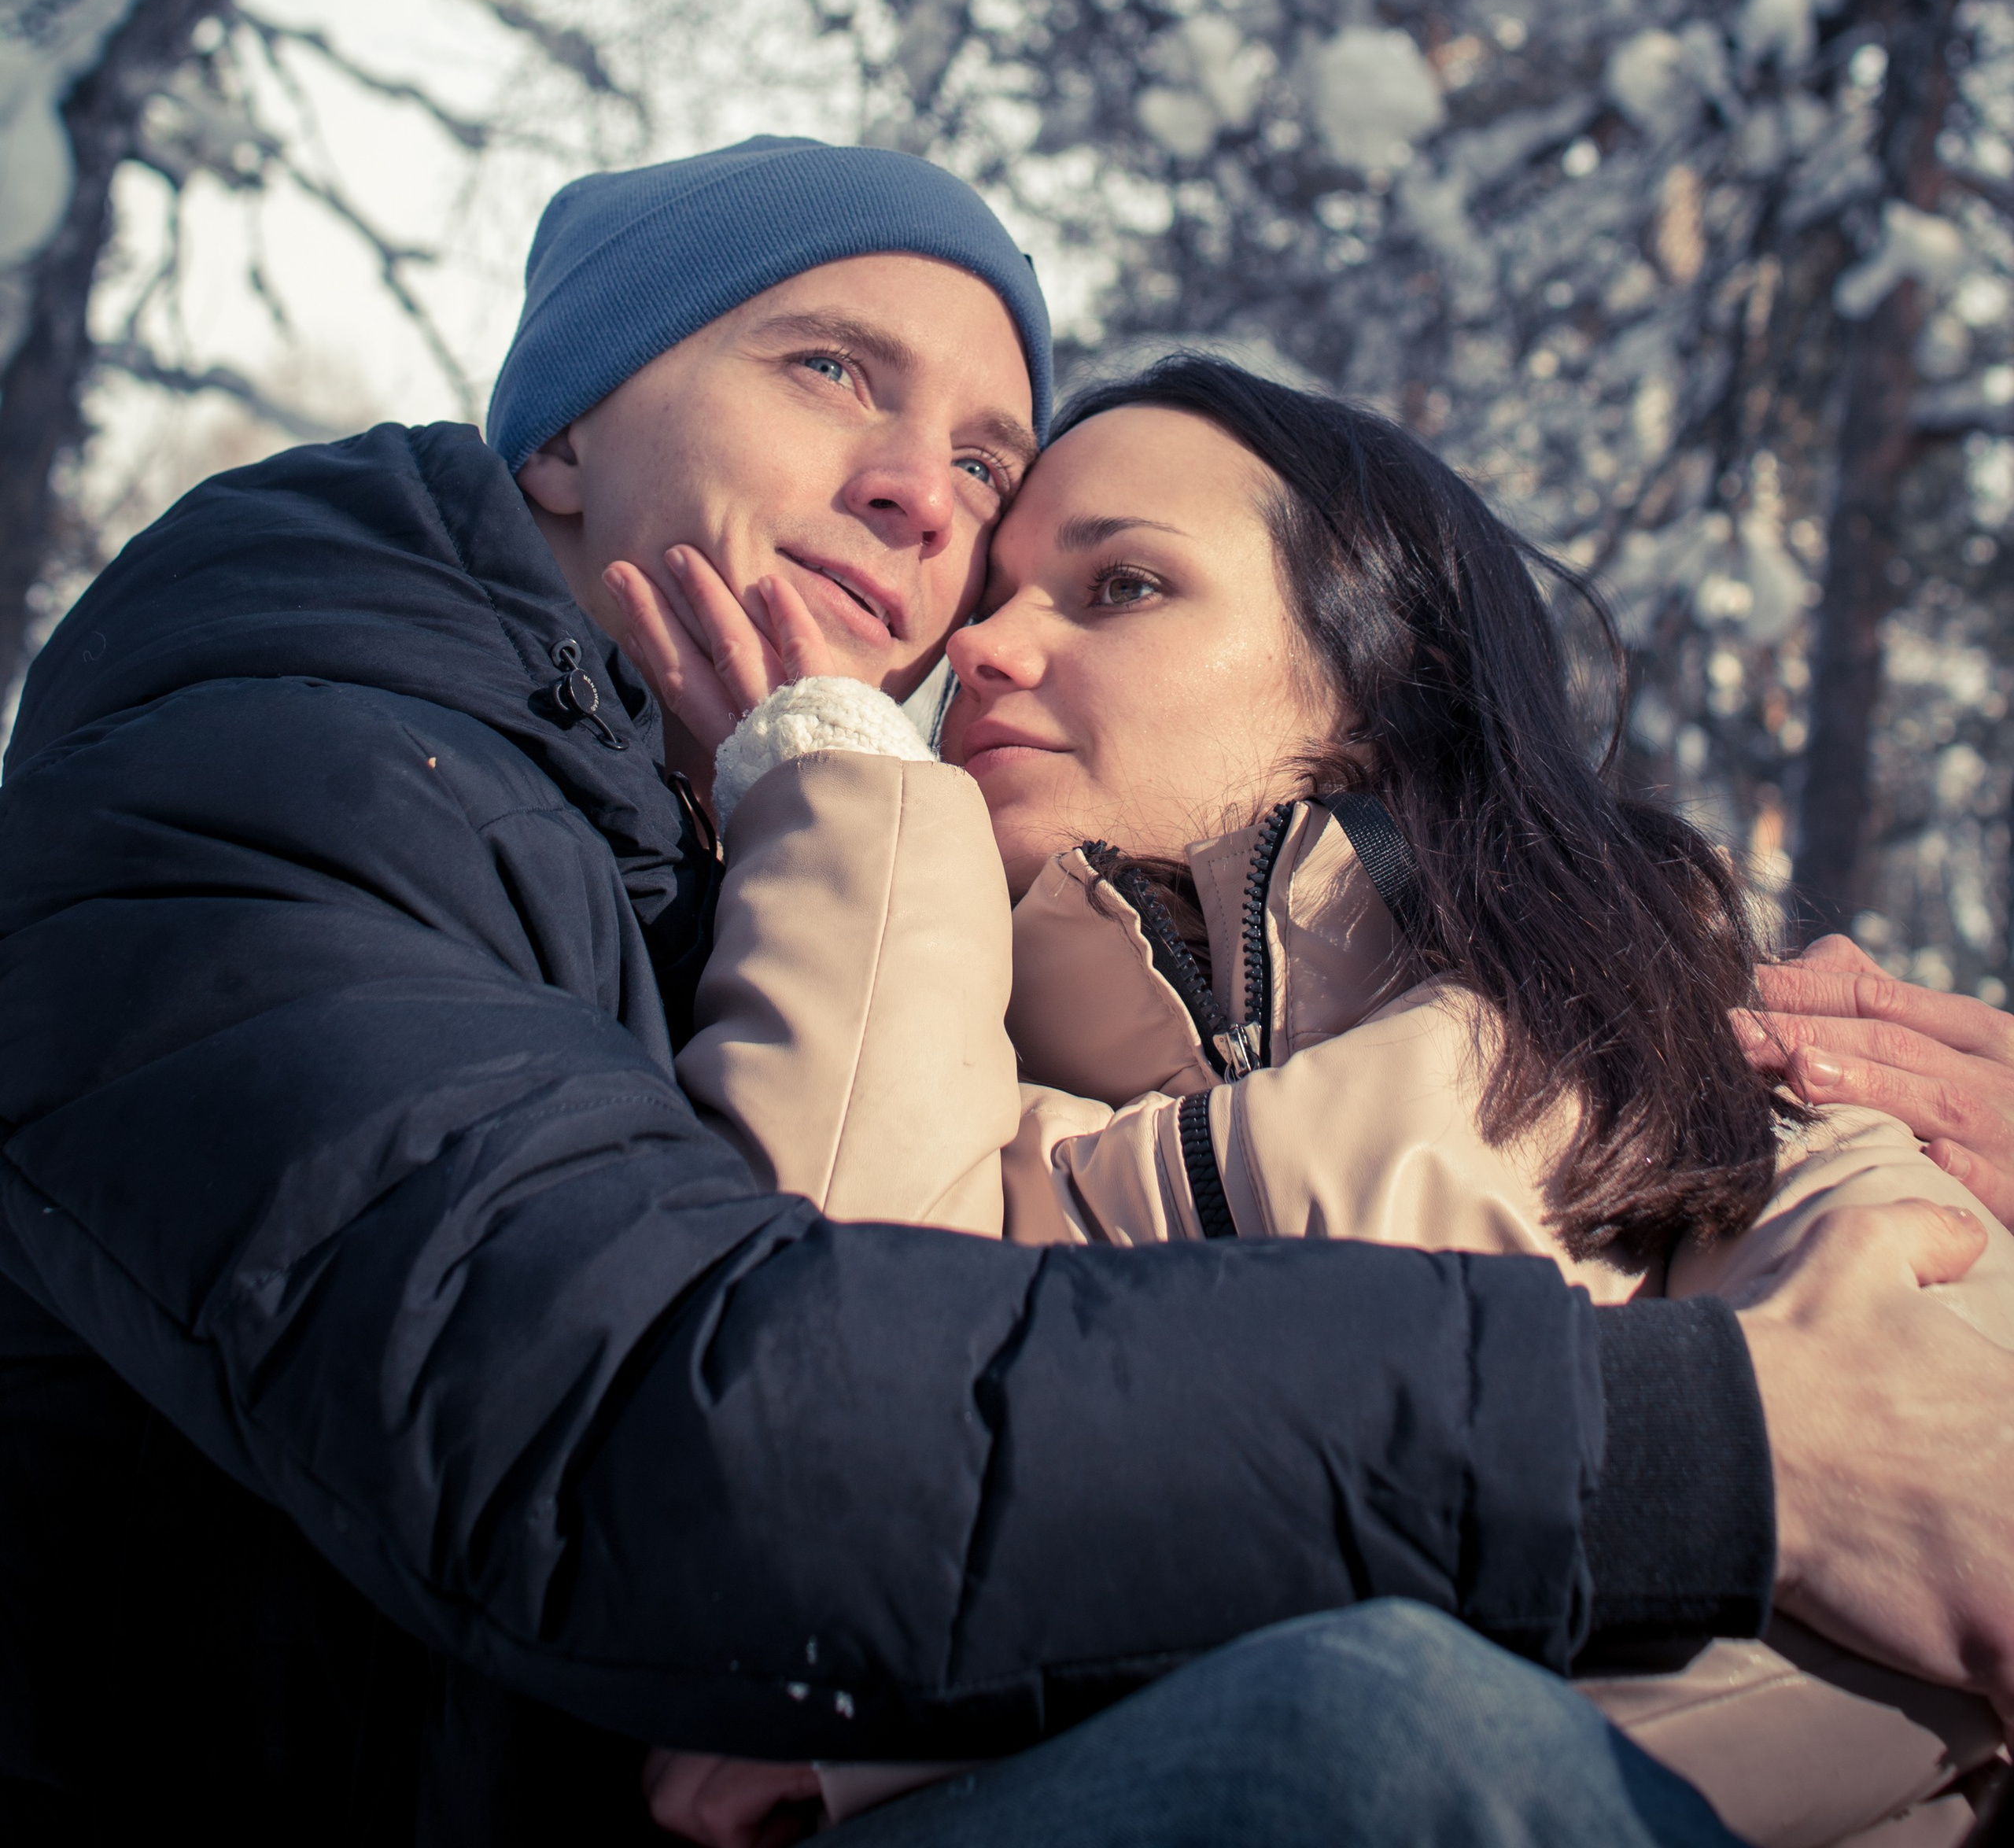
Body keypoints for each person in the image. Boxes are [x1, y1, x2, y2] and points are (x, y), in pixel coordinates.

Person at [0, 138, 2005, 1848]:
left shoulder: (1704, 1053)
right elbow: (736, 1409)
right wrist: (1722, 1456)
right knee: (1377, 1742)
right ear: (561, 431)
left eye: (1006, 480)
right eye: (825, 368)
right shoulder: (301, 772)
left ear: (1375, 699)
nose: (943, 534)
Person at [618, 352, 2014, 1847]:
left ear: (1375, 692)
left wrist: (924, 1738)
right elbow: (807, 1492)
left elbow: (1960, 1561)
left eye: (1121, 588)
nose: (994, 654)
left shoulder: (1685, 1073)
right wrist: (849, 806)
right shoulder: (940, 1072)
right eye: (987, 609)